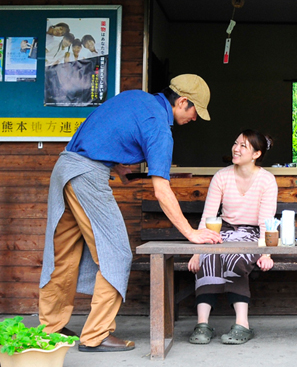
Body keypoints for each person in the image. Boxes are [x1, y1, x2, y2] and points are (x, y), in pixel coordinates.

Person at [38, 74, 223, 353]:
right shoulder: (160, 127)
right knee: (117, 254)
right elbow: (162, 191)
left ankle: (49, 329)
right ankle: (97, 335)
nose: (195, 119)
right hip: (87, 176)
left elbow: (101, 132)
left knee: (64, 253)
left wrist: (117, 166)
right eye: (195, 111)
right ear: (182, 102)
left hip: (65, 167)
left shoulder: (136, 97)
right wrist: (191, 232)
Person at [187, 129, 278, 345]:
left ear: (256, 154)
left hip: (251, 234)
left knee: (234, 258)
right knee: (209, 258)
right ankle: (202, 324)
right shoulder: (222, 176)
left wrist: (266, 253)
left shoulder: (266, 180)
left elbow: (267, 221)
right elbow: (208, 217)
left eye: (243, 146)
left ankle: (242, 325)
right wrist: (197, 252)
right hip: (222, 230)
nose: (236, 149)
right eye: (235, 143)